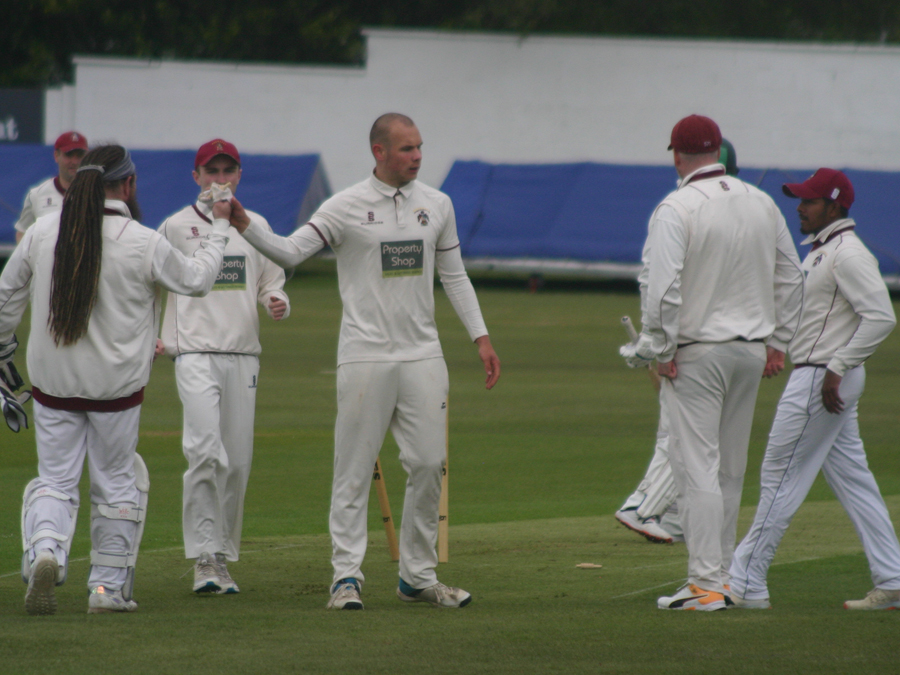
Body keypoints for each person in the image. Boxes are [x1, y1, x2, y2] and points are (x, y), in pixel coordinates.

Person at [227, 113, 500, 610]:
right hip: (364, 355)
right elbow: (289, 253)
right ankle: (345, 578)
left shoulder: (437, 204)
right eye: (406, 149)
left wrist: (480, 338)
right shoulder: (345, 206)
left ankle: (417, 577)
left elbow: (455, 277)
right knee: (352, 469)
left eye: (420, 147)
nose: (417, 156)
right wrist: (244, 224)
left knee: (428, 464)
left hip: (422, 354)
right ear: (379, 152)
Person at [0, 144, 232, 615]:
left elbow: (6, 298)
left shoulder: (44, 230)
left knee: (55, 479)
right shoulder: (142, 239)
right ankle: (106, 590)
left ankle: (46, 549)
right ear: (126, 184)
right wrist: (219, 227)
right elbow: (197, 280)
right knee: (119, 484)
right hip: (116, 392)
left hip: (54, 388)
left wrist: (4, 353)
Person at [620, 114, 804, 611]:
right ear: (719, 152)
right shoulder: (761, 202)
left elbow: (661, 290)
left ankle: (706, 583)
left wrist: (659, 348)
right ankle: (724, 579)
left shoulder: (675, 206)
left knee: (696, 466)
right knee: (729, 467)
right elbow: (791, 277)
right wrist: (779, 341)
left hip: (698, 352)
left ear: (677, 155)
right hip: (749, 350)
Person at [729, 169, 900, 610]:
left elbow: (881, 316)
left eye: (809, 201)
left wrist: (838, 366)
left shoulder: (847, 253)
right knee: (854, 480)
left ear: (836, 205)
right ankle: (894, 578)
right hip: (823, 374)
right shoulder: (823, 252)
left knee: (780, 475)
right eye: (800, 200)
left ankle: (746, 582)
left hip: (824, 377)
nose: (800, 208)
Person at [158, 139, 290, 594]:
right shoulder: (175, 227)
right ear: (196, 176)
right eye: (211, 171)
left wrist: (277, 300)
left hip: (243, 355)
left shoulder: (256, 225)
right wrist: (154, 336)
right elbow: (149, 281)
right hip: (193, 353)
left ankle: (223, 556)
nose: (220, 179)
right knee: (203, 452)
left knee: (236, 461)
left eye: (227, 170)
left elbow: (272, 278)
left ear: (239, 175)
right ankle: (204, 559)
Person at [615, 138, 742, 545]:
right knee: (686, 438)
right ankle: (642, 506)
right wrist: (659, 346)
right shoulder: (677, 211)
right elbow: (654, 281)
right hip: (692, 344)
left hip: (705, 342)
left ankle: (670, 517)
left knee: (682, 435)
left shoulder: (709, 212)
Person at [14, 131, 88, 243]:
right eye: (68, 155)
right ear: (56, 156)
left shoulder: (97, 194)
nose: (74, 161)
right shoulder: (37, 195)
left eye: (79, 156)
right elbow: (22, 233)